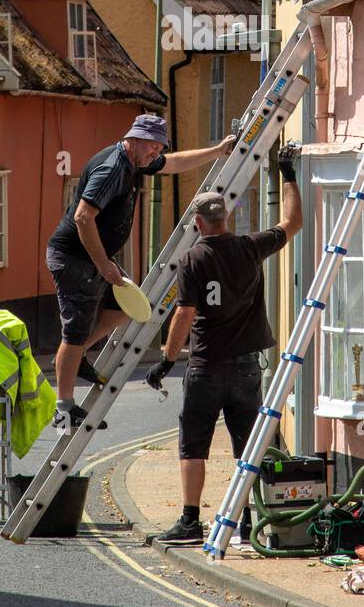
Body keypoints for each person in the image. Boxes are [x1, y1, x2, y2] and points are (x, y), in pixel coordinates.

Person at [146, 145, 302, 544]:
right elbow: (293, 221)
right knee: (246, 446)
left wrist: (166, 360)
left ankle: (189, 520)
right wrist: (288, 174)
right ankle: (246, 519)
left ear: (198, 223)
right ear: (225, 218)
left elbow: (183, 314)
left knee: (193, 444)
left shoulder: (193, 260)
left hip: (205, 366)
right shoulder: (250, 247)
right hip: (247, 366)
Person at [46, 114, 235, 429]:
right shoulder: (111, 170)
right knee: (74, 331)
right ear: (134, 138)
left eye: (159, 148)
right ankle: (64, 407)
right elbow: (83, 217)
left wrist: (216, 151)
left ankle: (77, 358)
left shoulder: (133, 159)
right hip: (75, 258)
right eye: (152, 147)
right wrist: (103, 264)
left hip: (94, 257)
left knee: (126, 305)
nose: (155, 154)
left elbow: (172, 164)